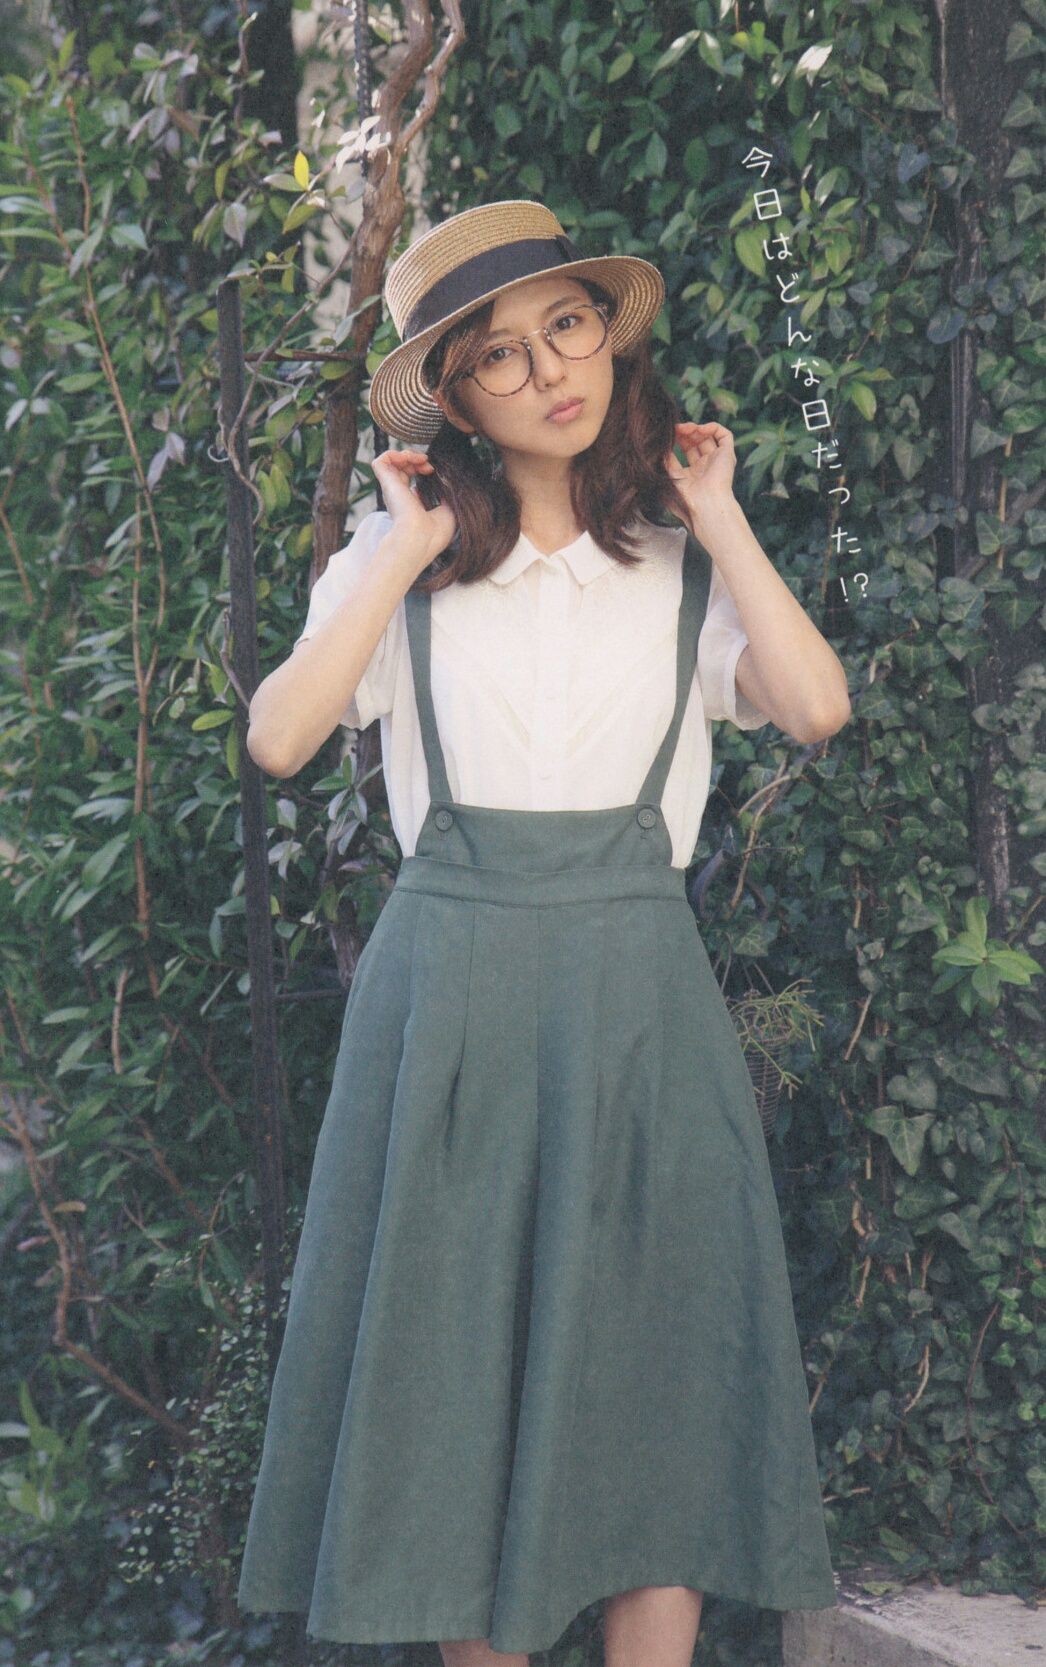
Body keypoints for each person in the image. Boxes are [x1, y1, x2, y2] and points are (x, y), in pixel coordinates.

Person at [238, 199, 848, 1667]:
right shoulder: (406, 568)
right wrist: (398, 551)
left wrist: (723, 518)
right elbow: (279, 738)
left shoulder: (678, 566)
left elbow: (818, 708)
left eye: (565, 326)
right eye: (498, 355)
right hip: (450, 1015)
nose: (549, 370)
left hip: (641, 1020)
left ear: (606, 337)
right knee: (456, 1387)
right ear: (453, 400)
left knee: (657, 1384)